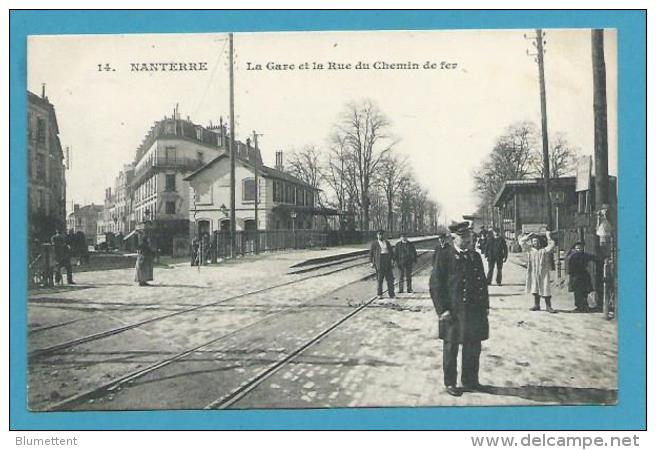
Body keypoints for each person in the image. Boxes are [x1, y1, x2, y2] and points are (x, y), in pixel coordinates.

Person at [429, 221, 489, 397]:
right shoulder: (444, 256)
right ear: (454, 237)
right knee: (451, 347)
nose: (467, 239)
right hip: (453, 312)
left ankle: (470, 380)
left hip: (474, 311)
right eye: (463, 236)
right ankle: (450, 382)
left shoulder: (474, 256)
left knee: (473, 346)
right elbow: (435, 285)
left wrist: (485, 306)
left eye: (469, 236)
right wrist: (442, 310)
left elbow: (482, 284)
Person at [518, 230, 556, 313]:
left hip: (543, 272)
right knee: (534, 288)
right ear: (532, 242)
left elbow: (552, 245)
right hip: (533, 271)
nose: (536, 243)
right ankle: (537, 305)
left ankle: (548, 306)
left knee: (546, 288)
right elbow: (521, 242)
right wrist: (529, 235)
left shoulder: (544, 250)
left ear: (540, 242)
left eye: (537, 241)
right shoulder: (530, 250)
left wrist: (548, 237)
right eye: (534, 241)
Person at [565, 242, 597, 312]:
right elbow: (569, 268)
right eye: (577, 248)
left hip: (583, 275)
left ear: (582, 248)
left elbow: (594, 258)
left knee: (584, 292)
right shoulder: (572, 256)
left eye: (580, 248)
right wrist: (570, 276)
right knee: (577, 292)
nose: (579, 249)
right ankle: (579, 307)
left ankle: (585, 306)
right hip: (575, 276)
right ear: (575, 249)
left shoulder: (584, 255)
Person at [369, 229, 395, 299]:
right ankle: (379, 294)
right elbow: (371, 254)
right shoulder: (374, 244)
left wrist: (392, 260)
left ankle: (391, 294)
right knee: (380, 280)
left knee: (390, 279)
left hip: (387, 262)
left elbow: (391, 252)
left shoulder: (387, 242)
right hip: (379, 263)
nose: (380, 236)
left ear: (384, 235)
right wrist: (371, 262)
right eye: (379, 235)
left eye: (382, 234)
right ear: (377, 236)